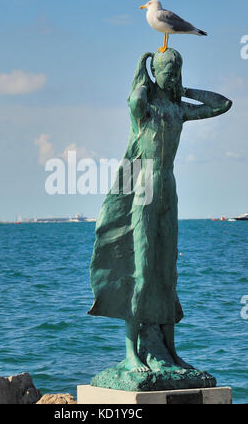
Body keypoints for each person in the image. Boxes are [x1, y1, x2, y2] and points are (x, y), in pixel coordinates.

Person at [88, 49, 232, 372]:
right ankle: (131, 352)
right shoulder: (146, 108)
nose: (174, 77)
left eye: (178, 72)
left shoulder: (178, 109)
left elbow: (222, 104)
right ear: (157, 72)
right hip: (145, 188)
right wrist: (145, 72)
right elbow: (135, 98)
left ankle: (170, 349)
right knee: (141, 271)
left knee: (168, 273)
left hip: (169, 188)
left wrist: (186, 90)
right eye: (169, 72)